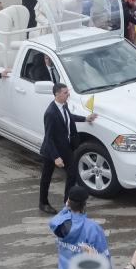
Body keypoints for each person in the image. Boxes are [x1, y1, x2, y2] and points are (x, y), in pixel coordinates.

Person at [38, 83, 97, 214]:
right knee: (46, 177)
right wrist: (55, 157)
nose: (67, 94)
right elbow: (48, 138)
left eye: (67, 92)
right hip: (51, 151)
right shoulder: (50, 113)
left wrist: (86, 118)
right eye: (65, 93)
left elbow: (69, 118)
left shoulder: (64, 105)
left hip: (65, 148)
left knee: (72, 174)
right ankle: (43, 203)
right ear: (57, 94)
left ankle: (68, 203)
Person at [48, 186, 109, 269]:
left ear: (68, 202)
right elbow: (104, 258)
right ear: (84, 204)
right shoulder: (93, 228)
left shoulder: (59, 224)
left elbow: (53, 221)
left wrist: (66, 208)